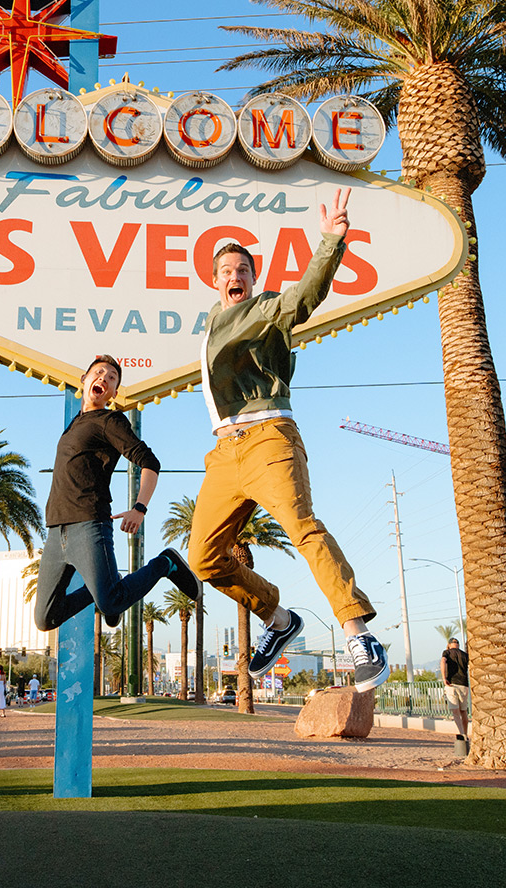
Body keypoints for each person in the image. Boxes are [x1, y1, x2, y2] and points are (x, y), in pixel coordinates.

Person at [186, 188, 388, 691]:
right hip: (223, 453)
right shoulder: (210, 324)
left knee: (302, 527)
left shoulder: (269, 310)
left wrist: (331, 242)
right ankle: (279, 621)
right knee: (203, 557)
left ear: (254, 280)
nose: (235, 276)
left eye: (243, 271)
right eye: (227, 271)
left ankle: (358, 634)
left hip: (269, 438)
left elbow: (306, 296)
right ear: (214, 282)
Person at [32, 355, 203, 633]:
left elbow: (150, 462)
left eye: (111, 378)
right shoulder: (76, 423)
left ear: (112, 393)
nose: (104, 378)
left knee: (111, 603)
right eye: (98, 373)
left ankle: (165, 563)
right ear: (84, 381)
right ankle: (100, 591)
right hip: (55, 531)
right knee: (46, 619)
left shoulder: (109, 420)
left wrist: (140, 507)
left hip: (88, 524)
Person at [442, 637, 470, 739]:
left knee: (455, 711)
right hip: (464, 685)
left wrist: (444, 677)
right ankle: (466, 733)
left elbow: (443, 662)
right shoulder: (464, 654)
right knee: (464, 712)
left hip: (452, 684)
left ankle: (462, 733)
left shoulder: (447, 653)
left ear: (449, 645)